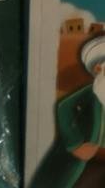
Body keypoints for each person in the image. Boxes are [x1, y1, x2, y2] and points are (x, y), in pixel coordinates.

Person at [32, 31, 105, 188]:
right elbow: (64, 108)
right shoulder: (93, 91)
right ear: (99, 68)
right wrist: (75, 144)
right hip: (81, 152)